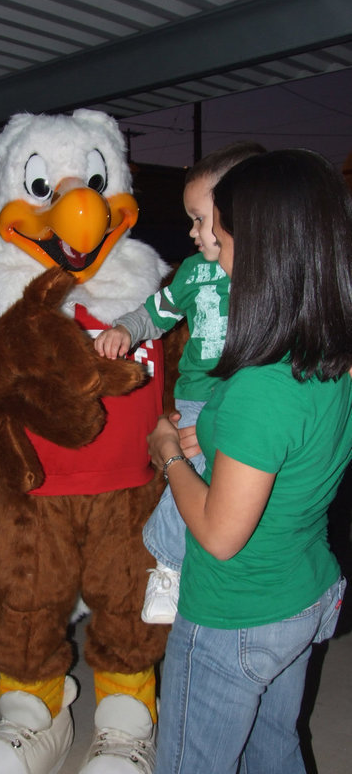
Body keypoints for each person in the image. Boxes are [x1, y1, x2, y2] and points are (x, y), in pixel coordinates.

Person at [146, 149, 352, 774]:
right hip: (304, 592)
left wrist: (166, 457)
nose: (209, 242)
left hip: (235, 615)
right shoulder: (329, 354)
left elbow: (218, 534)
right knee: (274, 752)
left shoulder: (260, 387)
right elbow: (294, 454)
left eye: (220, 226)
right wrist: (216, 447)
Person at [95, 141, 266, 624]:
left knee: (231, 486)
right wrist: (127, 329)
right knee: (187, 478)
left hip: (247, 403)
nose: (192, 232)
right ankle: (168, 566)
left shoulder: (270, 275)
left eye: (199, 218)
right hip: (197, 398)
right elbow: (157, 313)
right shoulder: (194, 273)